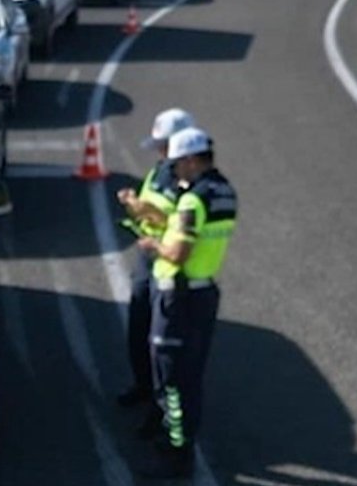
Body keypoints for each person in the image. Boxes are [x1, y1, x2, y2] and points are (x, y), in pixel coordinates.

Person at [136, 127, 237, 478]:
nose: (175, 171)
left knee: (171, 378)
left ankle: (176, 452)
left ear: (193, 161)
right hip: (203, 293)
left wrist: (153, 245)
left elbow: (178, 251)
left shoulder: (193, 200)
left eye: (178, 164)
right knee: (190, 376)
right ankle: (179, 444)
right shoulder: (225, 192)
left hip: (179, 298)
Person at [114, 108, 196, 433]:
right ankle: (143, 387)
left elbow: (176, 222)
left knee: (162, 344)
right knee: (138, 328)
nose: (159, 151)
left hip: (169, 266)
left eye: (163, 145)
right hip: (148, 259)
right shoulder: (161, 169)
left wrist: (140, 207)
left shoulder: (188, 181)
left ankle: (161, 412)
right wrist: (136, 206)